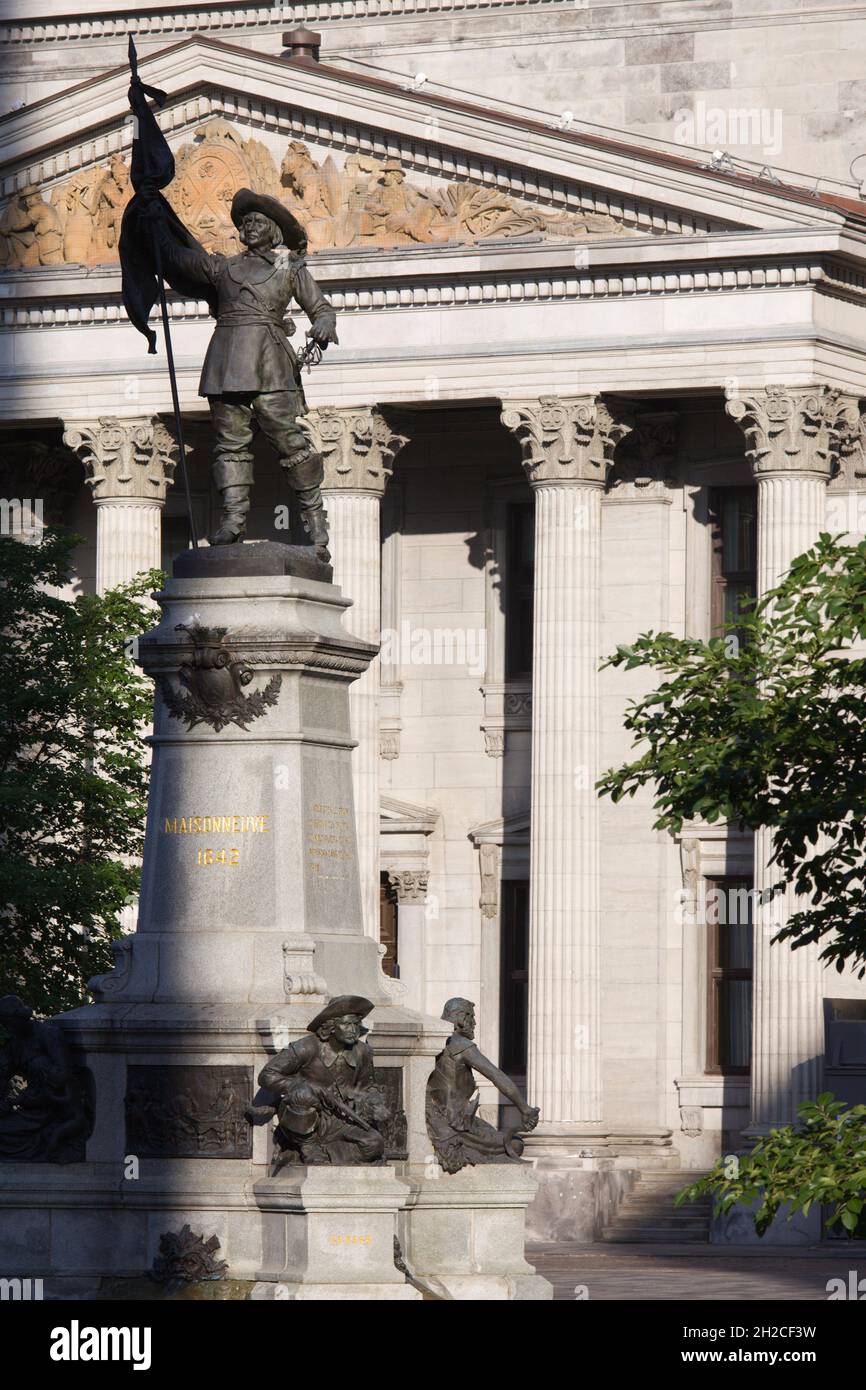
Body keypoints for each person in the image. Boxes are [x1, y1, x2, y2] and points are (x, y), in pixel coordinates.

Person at [145, 186, 337, 553]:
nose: (249, 227)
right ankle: (233, 522)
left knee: (290, 441)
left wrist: (325, 325)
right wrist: (154, 220)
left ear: (273, 230)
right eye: (245, 222)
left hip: (270, 363)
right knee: (229, 446)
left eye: (257, 221)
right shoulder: (223, 267)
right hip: (226, 361)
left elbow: (321, 308)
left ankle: (315, 522)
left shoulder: (289, 267)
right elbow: (176, 258)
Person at [255, 995, 389, 1169]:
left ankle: (325, 1153)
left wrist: (374, 1100)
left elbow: (367, 1087)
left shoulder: (363, 1052)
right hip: (307, 1115)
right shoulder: (306, 1047)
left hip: (342, 1118)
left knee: (375, 1143)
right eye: (347, 1024)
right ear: (331, 1026)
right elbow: (267, 1075)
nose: (353, 1030)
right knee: (304, 1093)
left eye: (356, 1024)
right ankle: (308, 1146)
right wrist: (300, 1085)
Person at [425, 997, 539, 1173]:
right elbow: (497, 1076)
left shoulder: (436, 1043)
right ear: (461, 1018)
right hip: (456, 1124)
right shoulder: (461, 1045)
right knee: (515, 1144)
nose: (475, 1023)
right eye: (471, 1017)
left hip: (439, 1118)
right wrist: (524, 1108)